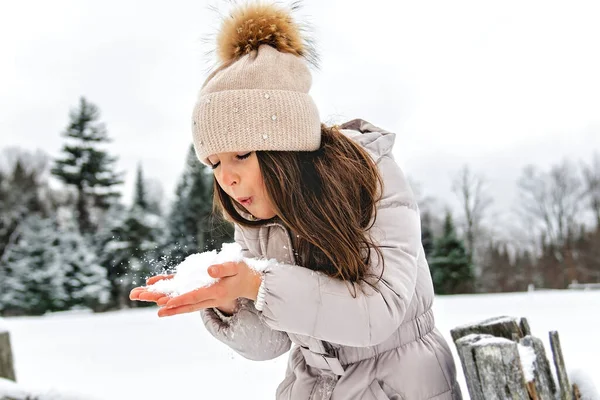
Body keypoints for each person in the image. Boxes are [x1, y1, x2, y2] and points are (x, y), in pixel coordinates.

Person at [130, 2, 462, 399]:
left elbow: (379, 312)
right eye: (214, 162)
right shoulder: (254, 212)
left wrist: (259, 282)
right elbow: (272, 343)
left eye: (241, 154)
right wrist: (232, 301)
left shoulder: (370, 176)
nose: (226, 178)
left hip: (401, 385)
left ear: (286, 149)